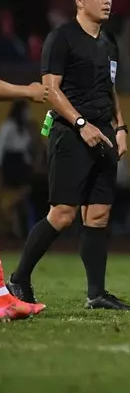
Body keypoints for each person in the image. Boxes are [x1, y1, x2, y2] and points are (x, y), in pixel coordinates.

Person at [7, 0, 130, 310]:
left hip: (104, 132)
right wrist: (80, 123)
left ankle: (96, 294)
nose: (107, 0)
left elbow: (110, 88)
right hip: (71, 132)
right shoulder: (61, 38)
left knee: (99, 215)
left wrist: (121, 127)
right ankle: (19, 278)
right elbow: (51, 89)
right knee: (63, 213)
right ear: (80, 1)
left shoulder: (109, 42)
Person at [0, 77, 48, 320]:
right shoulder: (9, 128)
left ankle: (3, 299)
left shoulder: (26, 128)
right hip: (11, 167)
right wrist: (28, 91)